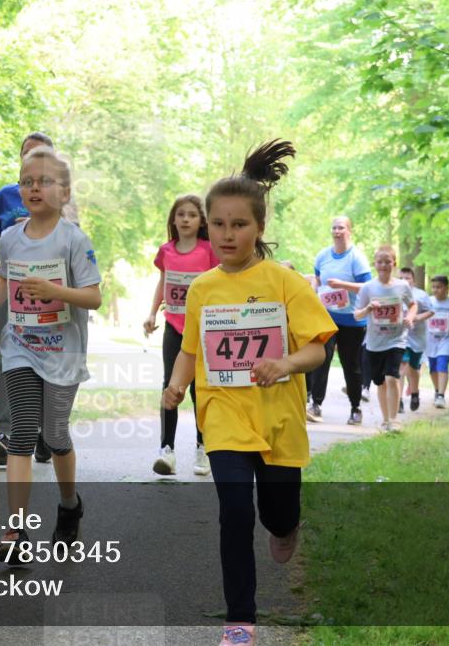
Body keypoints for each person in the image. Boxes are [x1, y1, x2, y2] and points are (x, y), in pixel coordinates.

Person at [162, 140, 335, 646]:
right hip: (224, 416)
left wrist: (284, 363)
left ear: (259, 227)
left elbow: (318, 348)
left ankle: (286, 526)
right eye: (218, 223)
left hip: (278, 419)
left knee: (277, 514)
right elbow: (190, 350)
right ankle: (240, 620)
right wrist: (176, 385)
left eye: (239, 224)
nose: (227, 233)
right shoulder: (202, 288)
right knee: (235, 513)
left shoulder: (284, 282)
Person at [0, 146, 101, 555]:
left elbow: (93, 297)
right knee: (21, 432)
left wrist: (54, 291)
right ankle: (15, 531)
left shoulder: (74, 240)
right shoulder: (11, 238)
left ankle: (69, 504)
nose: (34, 188)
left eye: (45, 181)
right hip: (20, 346)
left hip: (63, 352)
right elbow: (4, 277)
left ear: (64, 193)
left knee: (54, 434)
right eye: (27, 182)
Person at [0, 132, 56, 466]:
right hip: (10, 283)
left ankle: (42, 430)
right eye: (28, 152)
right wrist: (7, 245)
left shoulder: (59, 197)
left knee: (43, 356)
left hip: (47, 289)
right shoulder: (7, 195)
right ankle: (7, 432)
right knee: (7, 356)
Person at [143, 194, 218, 476]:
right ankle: (167, 450)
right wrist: (152, 313)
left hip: (201, 330)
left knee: (199, 388)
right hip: (174, 327)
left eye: (192, 215)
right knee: (170, 385)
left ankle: (203, 447)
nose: (186, 219)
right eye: (181, 214)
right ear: (173, 219)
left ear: (201, 221)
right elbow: (163, 281)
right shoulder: (166, 251)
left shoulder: (208, 250)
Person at [307, 216, 371, 426]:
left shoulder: (357, 258)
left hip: (352, 321)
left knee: (351, 365)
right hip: (327, 317)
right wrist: (314, 291)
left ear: (349, 231)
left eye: (341, 228)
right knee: (321, 359)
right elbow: (317, 279)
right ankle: (315, 405)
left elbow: (367, 288)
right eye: (334, 228)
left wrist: (343, 285)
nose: (337, 231)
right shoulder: (323, 256)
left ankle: (355, 408)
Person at [353, 246, 417, 432]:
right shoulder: (368, 288)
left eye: (387, 261)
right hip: (374, 342)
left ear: (394, 263)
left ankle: (394, 420)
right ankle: (386, 419)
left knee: (392, 377)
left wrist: (410, 317)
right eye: (380, 262)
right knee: (380, 382)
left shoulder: (402, 286)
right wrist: (368, 309)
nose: (383, 265)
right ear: (375, 264)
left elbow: (413, 305)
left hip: (396, 339)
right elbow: (357, 315)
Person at [398, 267, 434, 412]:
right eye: (401, 278)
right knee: (402, 366)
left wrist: (417, 317)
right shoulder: (393, 293)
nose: (404, 281)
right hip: (399, 336)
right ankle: (398, 400)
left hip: (417, 336)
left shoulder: (421, 295)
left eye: (407, 278)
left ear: (413, 279)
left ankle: (415, 393)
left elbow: (431, 311)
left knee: (413, 367)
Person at [425, 275, 449, 409]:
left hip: (447, 339)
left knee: (442, 364)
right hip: (431, 339)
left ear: (446, 288)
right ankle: (437, 390)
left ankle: (441, 396)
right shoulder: (428, 301)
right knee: (433, 368)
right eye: (433, 287)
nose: (435, 290)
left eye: (438, 287)